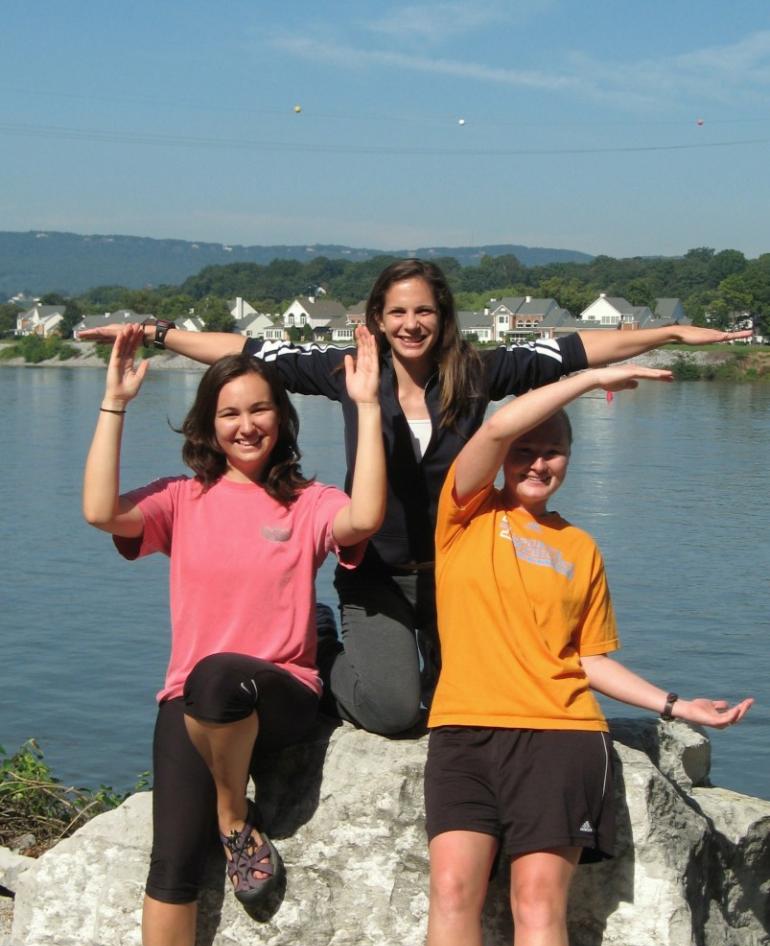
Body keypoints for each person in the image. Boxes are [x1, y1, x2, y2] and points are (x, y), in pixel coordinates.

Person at [80, 260, 752, 736]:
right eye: (396, 311)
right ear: (376, 318)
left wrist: (669, 332)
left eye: (423, 310)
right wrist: (157, 334)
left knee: (470, 705)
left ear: (443, 317)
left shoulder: (479, 372)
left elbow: (575, 346)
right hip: (377, 576)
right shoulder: (349, 372)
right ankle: (322, 653)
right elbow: (246, 349)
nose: (411, 323)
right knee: (399, 712)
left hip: (461, 576)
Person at [424, 364, 754, 946]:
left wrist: (675, 705)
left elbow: (588, 657)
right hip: (463, 730)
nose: (538, 464)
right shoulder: (463, 514)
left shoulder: (581, 548)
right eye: (526, 452)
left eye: (553, 453)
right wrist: (590, 377)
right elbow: (497, 426)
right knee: (450, 893)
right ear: (503, 458)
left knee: (538, 903)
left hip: (561, 735)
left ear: (570, 459)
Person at [82, 323, 385, 946]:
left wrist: (366, 405)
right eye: (229, 413)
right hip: (193, 706)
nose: (246, 425)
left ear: (281, 417)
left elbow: (364, 518)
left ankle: (233, 814)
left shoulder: (307, 503)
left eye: (259, 409)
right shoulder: (180, 499)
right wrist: (114, 403)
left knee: (216, 676)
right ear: (207, 425)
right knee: (171, 866)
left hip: (281, 698)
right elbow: (99, 511)